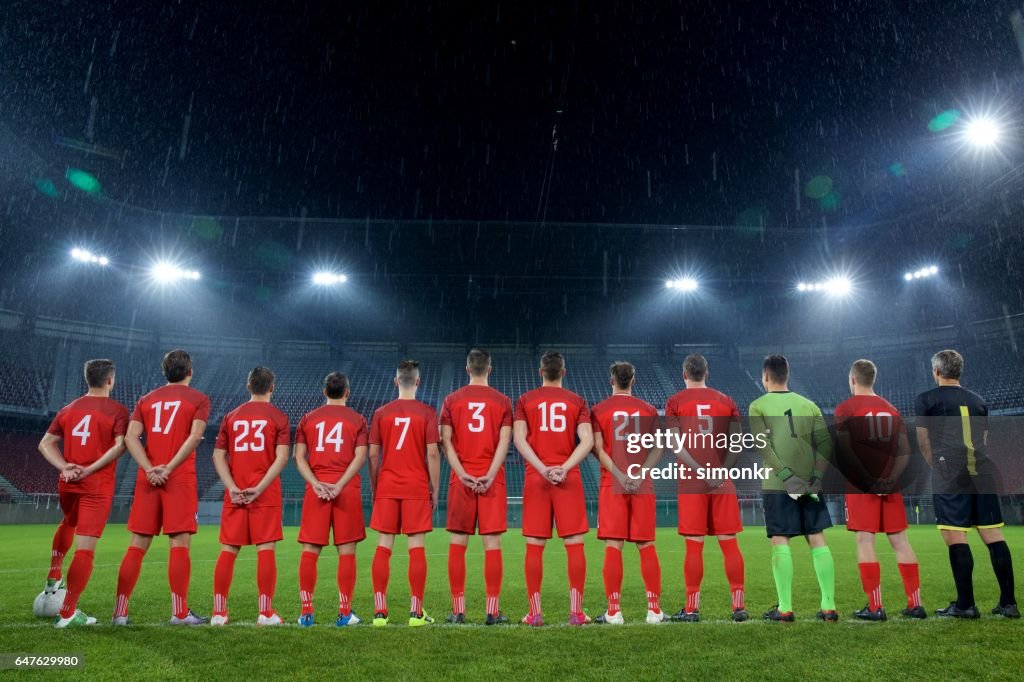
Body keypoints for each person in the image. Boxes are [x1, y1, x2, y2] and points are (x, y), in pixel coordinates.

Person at [915, 349, 1018, 619]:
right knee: (994, 536)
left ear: (937, 371)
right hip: (982, 471)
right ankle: (1009, 604)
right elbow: (983, 438)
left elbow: (924, 442)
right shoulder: (979, 400)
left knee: (955, 536)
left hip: (951, 471)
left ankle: (965, 605)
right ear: (959, 371)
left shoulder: (926, 399)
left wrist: (939, 469)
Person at [113, 349, 210, 626]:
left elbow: (131, 438)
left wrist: (148, 468)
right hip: (178, 478)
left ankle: (120, 613)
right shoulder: (199, 399)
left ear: (165, 372)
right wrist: (168, 468)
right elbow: (194, 437)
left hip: (148, 479)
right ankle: (179, 613)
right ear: (190, 371)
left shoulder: (146, 399)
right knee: (179, 545)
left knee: (137, 546)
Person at [37, 359, 129, 628]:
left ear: (87, 379)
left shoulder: (68, 409)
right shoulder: (117, 410)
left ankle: (54, 575)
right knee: (86, 549)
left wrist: (65, 466)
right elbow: (119, 447)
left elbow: (45, 444)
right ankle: (67, 614)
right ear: (110, 380)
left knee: (68, 523)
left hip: (68, 482)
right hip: (95, 486)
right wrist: (89, 470)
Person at [834, 359, 925, 621]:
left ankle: (875, 607)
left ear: (852, 380)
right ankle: (915, 604)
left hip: (862, 486)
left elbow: (846, 451)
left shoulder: (845, 409)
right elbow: (905, 451)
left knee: (865, 541)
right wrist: (889, 479)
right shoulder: (892, 410)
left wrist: (867, 480)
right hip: (890, 485)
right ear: (872, 379)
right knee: (900, 541)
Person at [748, 355, 836, 622]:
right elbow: (826, 443)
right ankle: (829, 607)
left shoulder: (757, 406)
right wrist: (817, 476)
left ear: (765, 377)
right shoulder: (809, 405)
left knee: (780, 540)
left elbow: (763, 445)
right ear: (787, 375)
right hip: (810, 483)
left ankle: (785, 608)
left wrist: (786, 477)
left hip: (778, 485)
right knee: (817, 538)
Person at [664, 354, 748, 622]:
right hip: (722, 482)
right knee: (729, 544)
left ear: (684, 374)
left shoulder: (675, 402)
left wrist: (699, 470)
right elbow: (737, 442)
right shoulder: (726, 401)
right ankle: (738, 607)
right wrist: (722, 470)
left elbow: (675, 445)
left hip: (692, 483)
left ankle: (691, 608)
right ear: (706, 373)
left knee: (694, 547)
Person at [513, 351, 594, 626]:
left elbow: (519, 439)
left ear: (540, 372)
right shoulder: (577, 401)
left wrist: (542, 468)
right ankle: (576, 612)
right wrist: (565, 467)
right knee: (574, 545)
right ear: (564, 371)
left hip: (537, 479)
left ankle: (535, 613)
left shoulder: (525, 400)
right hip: (568, 479)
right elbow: (587, 441)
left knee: (535, 546)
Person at [210, 366, 290, 626]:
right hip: (264, 494)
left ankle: (218, 613)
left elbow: (218, 455)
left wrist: (232, 487)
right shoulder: (278, 417)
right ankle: (265, 613)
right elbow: (281, 458)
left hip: (236, 492)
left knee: (228, 550)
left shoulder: (231, 416)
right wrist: (260, 487)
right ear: (272, 388)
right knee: (265, 550)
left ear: (248, 387)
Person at [440, 349, 513, 625]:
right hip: (492, 479)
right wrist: (491, 475)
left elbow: (445, 441)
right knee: (492, 544)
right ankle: (492, 611)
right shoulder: (503, 401)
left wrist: (462, 474)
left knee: (458, 543)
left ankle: (458, 611)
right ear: (490, 369)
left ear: (467, 369)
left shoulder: (451, 400)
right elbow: (505, 442)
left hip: (462, 478)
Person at [590, 361, 665, 625]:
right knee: (646, 545)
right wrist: (641, 472)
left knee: (614, 545)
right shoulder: (648, 410)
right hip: (642, 484)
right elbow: (659, 447)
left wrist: (621, 475)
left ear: (612, 381)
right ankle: (654, 610)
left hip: (613, 483)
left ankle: (614, 611)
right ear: (633, 380)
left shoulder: (598, 410)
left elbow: (597, 449)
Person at [368, 360, 442, 627]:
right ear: (418, 382)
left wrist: (377, 488)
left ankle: (379, 612)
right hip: (415, 486)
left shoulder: (381, 413)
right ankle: (416, 613)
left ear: (396, 381)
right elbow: (433, 453)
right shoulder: (426, 412)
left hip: (387, 485)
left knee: (383, 545)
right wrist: (435, 488)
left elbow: (373, 454)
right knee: (416, 547)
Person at [293, 372, 368, 627]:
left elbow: (298, 457)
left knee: (310, 550)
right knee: (346, 551)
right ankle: (344, 613)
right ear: (347, 392)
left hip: (317, 489)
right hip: (345, 489)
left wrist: (315, 483)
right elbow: (360, 457)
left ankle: (306, 613)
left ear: (324, 392)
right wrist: (340, 485)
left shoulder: (308, 419)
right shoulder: (358, 419)